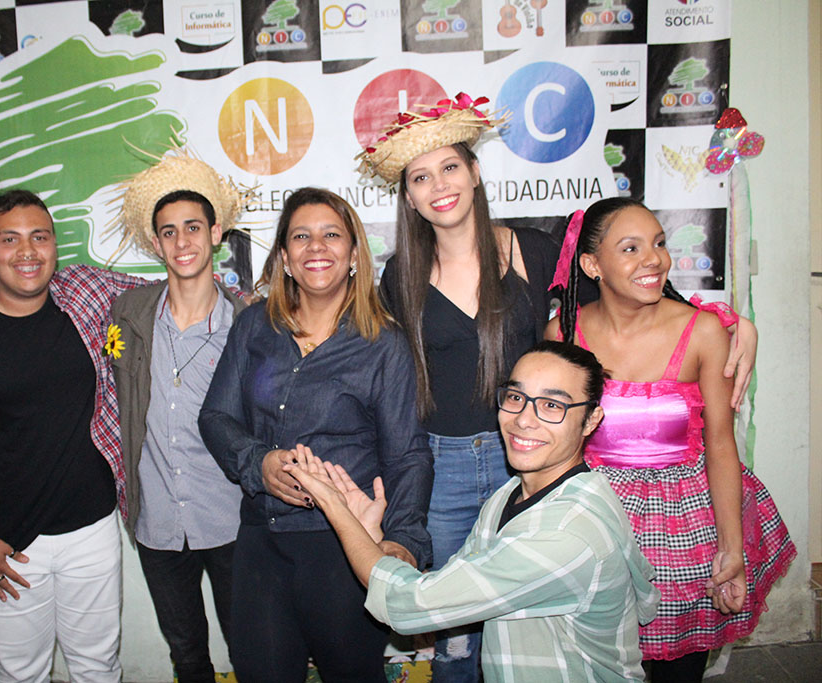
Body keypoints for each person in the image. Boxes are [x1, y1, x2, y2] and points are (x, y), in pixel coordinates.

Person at [357, 93, 760, 682]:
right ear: (409, 196)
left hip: (531, 456)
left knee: (529, 624)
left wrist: (726, 321)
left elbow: (622, 295)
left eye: (450, 167)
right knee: (454, 636)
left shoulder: (534, 250)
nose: (438, 185)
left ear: (474, 172)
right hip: (443, 469)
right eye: (421, 177)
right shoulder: (401, 273)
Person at [287, 341, 661, 683]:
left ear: (591, 420)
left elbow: (406, 605)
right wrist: (371, 536)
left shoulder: (565, 534)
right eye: (515, 397)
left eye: (552, 405)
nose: (524, 419)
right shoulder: (511, 494)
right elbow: (448, 585)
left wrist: (335, 508)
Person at [549, 197, 796, 681]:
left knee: (677, 672)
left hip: (683, 528)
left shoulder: (703, 331)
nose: (654, 259)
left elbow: (721, 443)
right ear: (592, 265)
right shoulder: (564, 333)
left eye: (659, 243)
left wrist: (731, 549)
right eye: (631, 248)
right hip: (596, 522)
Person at [198, 187, 434, 683]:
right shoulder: (253, 326)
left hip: (345, 549)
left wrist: (403, 541)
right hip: (261, 542)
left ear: (354, 254)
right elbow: (216, 417)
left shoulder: (383, 344)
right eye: (301, 237)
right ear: (284, 258)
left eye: (332, 235)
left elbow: (408, 456)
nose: (317, 247)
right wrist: (258, 462)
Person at [0, 189, 140, 682]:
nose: (27, 252)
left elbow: (171, 293)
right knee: (21, 673)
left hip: (92, 530)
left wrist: (249, 300)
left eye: (39, 237)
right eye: (10, 239)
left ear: (55, 244)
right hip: (5, 541)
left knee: (99, 667)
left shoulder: (85, 291)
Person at [108, 151, 246, 683]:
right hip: (158, 524)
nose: (182, 241)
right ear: (156, 242)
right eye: (169, 231)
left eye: (193, 227)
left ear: (215, 233)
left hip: (233, 520)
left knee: (252, 651)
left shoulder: (249, 322)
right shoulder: (129, 313)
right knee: (187, 657)